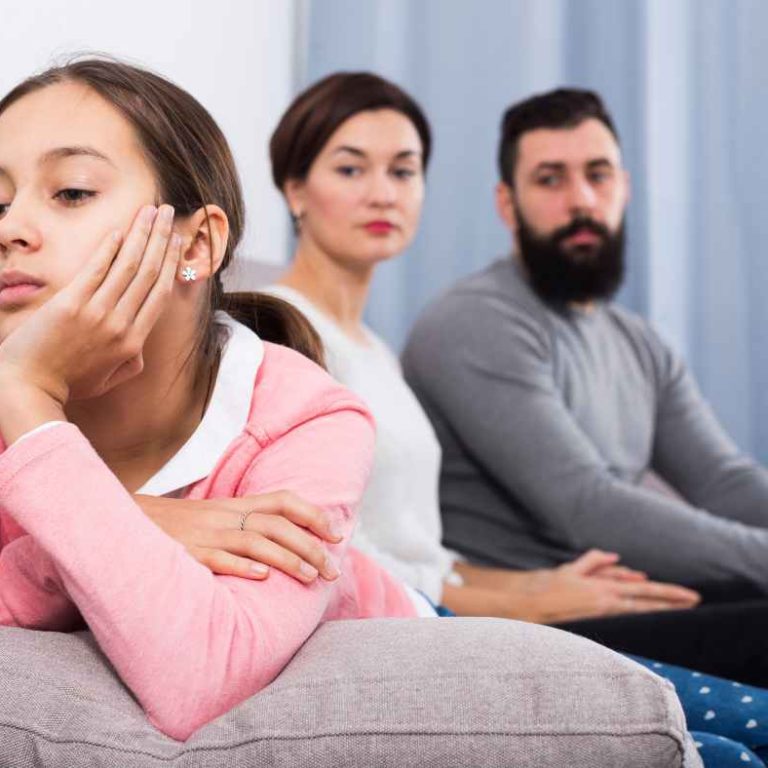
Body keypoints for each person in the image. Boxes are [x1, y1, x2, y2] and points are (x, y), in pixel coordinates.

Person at [255, 72, 763, 766]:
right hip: (433, 629)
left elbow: (725, 479)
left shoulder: (379, 351)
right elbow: (334, 551)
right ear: (293, 188)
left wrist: (529, 592)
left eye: (403, 170)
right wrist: (528, 599)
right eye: (352, 168)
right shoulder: (294, 334)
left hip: (486, 604)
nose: (382, 192)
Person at [0, 58, 426, 742]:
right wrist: (140, 521)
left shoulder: (307, 417)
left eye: (71, 192)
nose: (11, 227)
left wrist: (28, 405)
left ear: (195, 244)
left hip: (418, 637)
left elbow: (200, 678)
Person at [400, 88, 768, 682]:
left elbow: (724, 480)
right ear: (507, 203)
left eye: (597, 175)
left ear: (623, 185)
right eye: (550, 179)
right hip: (537, 629)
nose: (581, 200)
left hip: (622, 603)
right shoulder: (474, 322)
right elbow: (586, 506)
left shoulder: (639, 342)